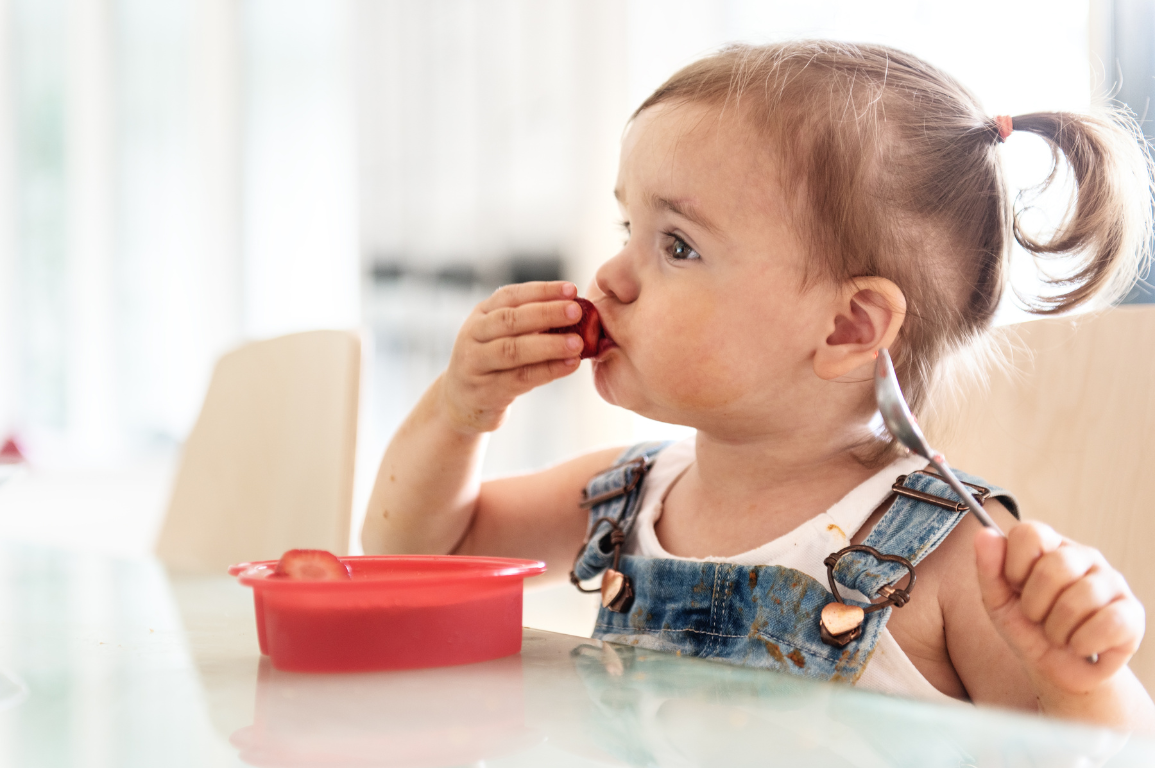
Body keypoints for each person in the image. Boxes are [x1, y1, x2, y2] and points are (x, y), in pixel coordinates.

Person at [361, 41, 1154, 730]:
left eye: (676, 245)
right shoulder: (627, 494)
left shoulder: (952, 557)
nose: (608, 275)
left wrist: (1081, 680)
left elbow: (1089, 755)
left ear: (847, 328)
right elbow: (418, 552)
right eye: (625, 230)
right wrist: (459, 411)